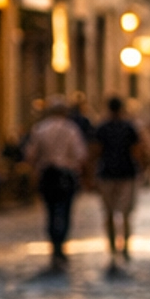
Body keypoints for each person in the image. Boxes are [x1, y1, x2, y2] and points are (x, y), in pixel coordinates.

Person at [22, 100, 88, 268]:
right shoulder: (71, 129)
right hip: (67, 174)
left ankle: (54, 246)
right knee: (65, 211)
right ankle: (61, 245)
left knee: (50, 211)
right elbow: (80, 154)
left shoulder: (40, 129)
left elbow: (31, 154)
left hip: (47, 174)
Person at [94, 95, 145, 267]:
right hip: (126, 174)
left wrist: (90, 175)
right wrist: (142, 171)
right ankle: (125, 248)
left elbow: (95, 152)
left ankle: (112, 248)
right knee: (126, 214)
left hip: (106, 174)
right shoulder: (129, 127)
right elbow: (137, 150)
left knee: (108, 213)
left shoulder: (102, 128)